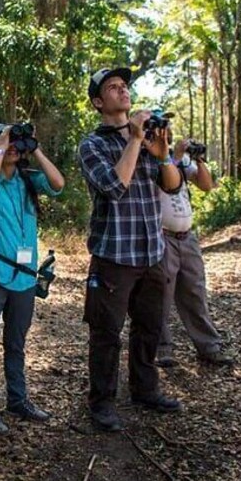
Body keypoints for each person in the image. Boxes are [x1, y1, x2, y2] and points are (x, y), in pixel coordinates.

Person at [78, 67, 184, 432]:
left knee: (149, 326)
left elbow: (171, 186)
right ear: (98, 102)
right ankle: (102, 403)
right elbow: (113, 186)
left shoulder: (149, 139)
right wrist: (135, 141)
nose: (122, 91)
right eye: (113, 87)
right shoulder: (92, 145)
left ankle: (145, 389)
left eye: (124, 86)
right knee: (107, 332)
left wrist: (164, 153)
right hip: (114, 257)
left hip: (152, 252)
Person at [0, 122, 65, 435]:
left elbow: (58, 184)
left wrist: (34, 148)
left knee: (16, 344)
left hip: (24, 278)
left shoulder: (28, 181)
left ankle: (17, 400)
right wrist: (1, 146)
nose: (10, 145)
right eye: (2, 140)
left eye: (13, 141)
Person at [156, 138, 234, 368]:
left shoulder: (180, 158)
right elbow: (168, 182)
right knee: (161, 294)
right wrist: (177, 157)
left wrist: (198, 160)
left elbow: (207, 186)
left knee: (195, 290)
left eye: (168, 128)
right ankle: (162, 350)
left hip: (187, 237)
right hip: (163, 236)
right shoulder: (151, 158)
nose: (166, 132)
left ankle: (208, 347)